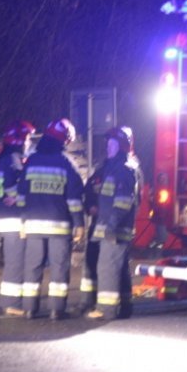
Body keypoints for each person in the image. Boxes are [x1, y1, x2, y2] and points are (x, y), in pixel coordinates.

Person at [18, 118, 84, 320]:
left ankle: (29, 309)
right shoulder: (66, 163)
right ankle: (56, 309)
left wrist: (23, 221)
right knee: (59, 268)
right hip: (59, 226)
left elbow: (22, 195)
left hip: (33, 225)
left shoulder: (31, 161)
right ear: (65, 140)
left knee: (32, 267)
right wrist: (79, 223)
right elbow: (74, 199)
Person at [79, 128, 141, 319]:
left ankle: (106, 309)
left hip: (115, 229)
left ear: (121, 146)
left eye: (112, 144)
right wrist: (90, 205)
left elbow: (123, 202)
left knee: (108, 267)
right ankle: (125, 306)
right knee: (118, 268)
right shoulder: (109, 168)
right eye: (108, 144)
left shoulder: (123, 170)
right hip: (106, 226)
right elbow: (93, 189)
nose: (108, 147)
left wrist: (111, 226)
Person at [0, 120, 36, 317]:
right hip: (13, 218)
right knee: (15, 261)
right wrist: (20, 197)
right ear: (18, 139)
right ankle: (10, 303)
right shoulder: (11, 159)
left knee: (18, 261)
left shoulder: (10, 158)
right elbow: (7, 188)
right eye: (27, 138)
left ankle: (13, 302)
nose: (29, 142)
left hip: (11, 217)